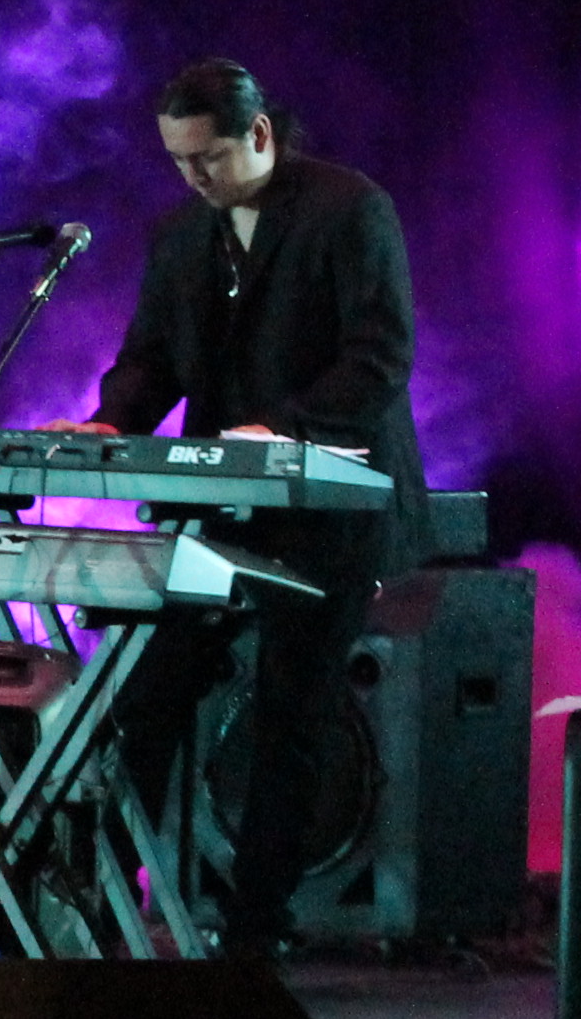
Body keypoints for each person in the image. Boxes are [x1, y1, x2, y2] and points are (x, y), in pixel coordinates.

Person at [39, 57, 422, 964]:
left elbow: (378, 356)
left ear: (259, 134)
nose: (195, 177)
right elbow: (151, 358)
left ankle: (254, 934)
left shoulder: (348, 209)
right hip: (223, 509)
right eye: (179, 161)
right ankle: (98, 909)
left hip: (332, 510)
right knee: (149, 699)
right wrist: (109, 423)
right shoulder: (183, 236)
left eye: (208, 157)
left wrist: (281, 430)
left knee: (293, 716)